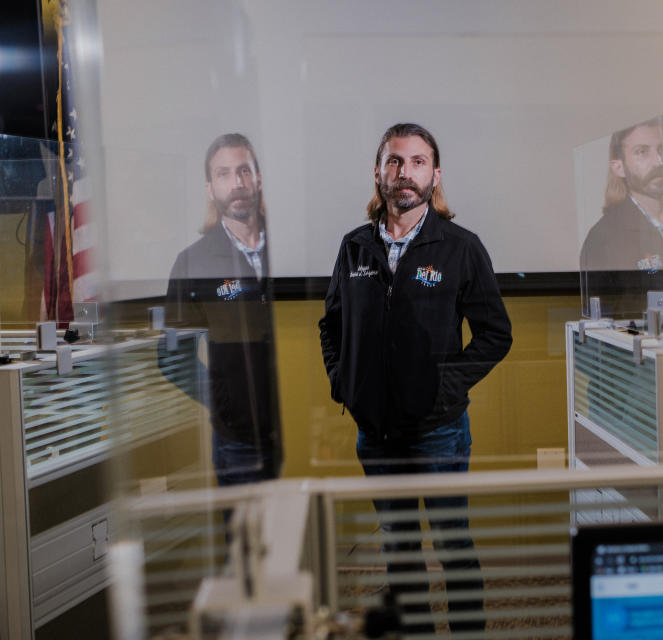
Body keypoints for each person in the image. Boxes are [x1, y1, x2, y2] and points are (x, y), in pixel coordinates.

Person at [319, 122, 512, 633]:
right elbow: (331, 326)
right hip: (376, 434)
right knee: (400, 548)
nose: (406, 173)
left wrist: (443, 386)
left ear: (435, 175)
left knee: (453, 543)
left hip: (439, 431)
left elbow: (496, 335)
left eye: (418, 162)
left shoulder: (460, 247)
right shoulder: (354, 247)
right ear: (378, 173)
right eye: (395, 161)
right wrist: (345, 383)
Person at [164, 133, 282, 486]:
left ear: (259, 178)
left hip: (296, 428)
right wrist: (225, 403)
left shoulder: (289, 249)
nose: (237, 183)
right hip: (238, 442)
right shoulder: (192, 263)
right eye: (224, 174)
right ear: (210, 189)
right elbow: (171, 355)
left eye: (244, 171)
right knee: (245, 542)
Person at [579, 118, 663, 316]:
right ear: (618, 167)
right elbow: (604, 318)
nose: (658, 161)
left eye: (662, 150)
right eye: (642, 152)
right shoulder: (604, 237)